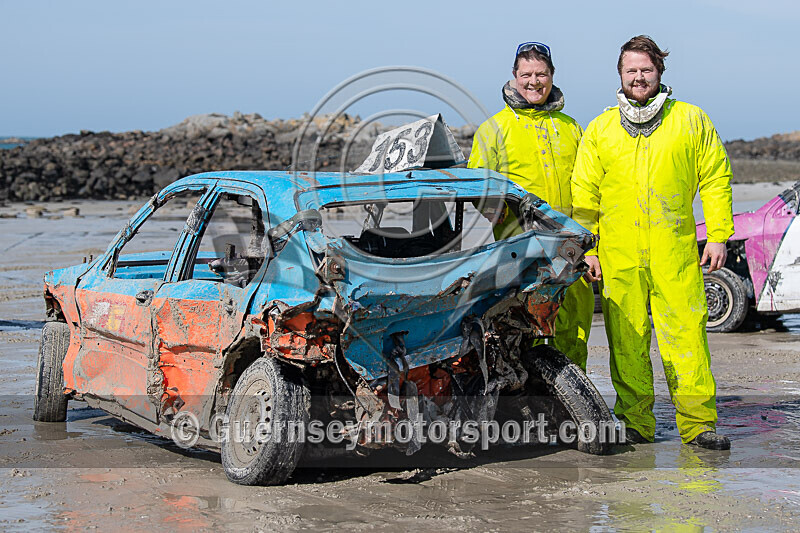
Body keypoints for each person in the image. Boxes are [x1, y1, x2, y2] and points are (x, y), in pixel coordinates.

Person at [571, 35, 733, 450]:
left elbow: (715, 177)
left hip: (675, 252)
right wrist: (588, 248)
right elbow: (584, 195)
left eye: (646, 69)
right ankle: (635, 421)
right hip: (619, 253)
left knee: (687, 339)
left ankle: (699, 425)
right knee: (627, 342)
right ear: (620, 75)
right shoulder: (601, 128)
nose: (639, 77)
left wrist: (717, 235)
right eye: (631, 70)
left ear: (660, 71)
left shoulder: (691, 120)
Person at [468, 41, 594, 371]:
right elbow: (477, 186)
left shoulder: (571, 127)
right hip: (521, 251)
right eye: (526, 75)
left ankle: (570, 402)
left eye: (541, 74)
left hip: (570, 245)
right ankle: (528, 409)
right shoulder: (493, 129)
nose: (533, 82)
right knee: (526, 330)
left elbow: (589, 186)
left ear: (552, 76)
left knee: (573, 330)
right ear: (514, 76)